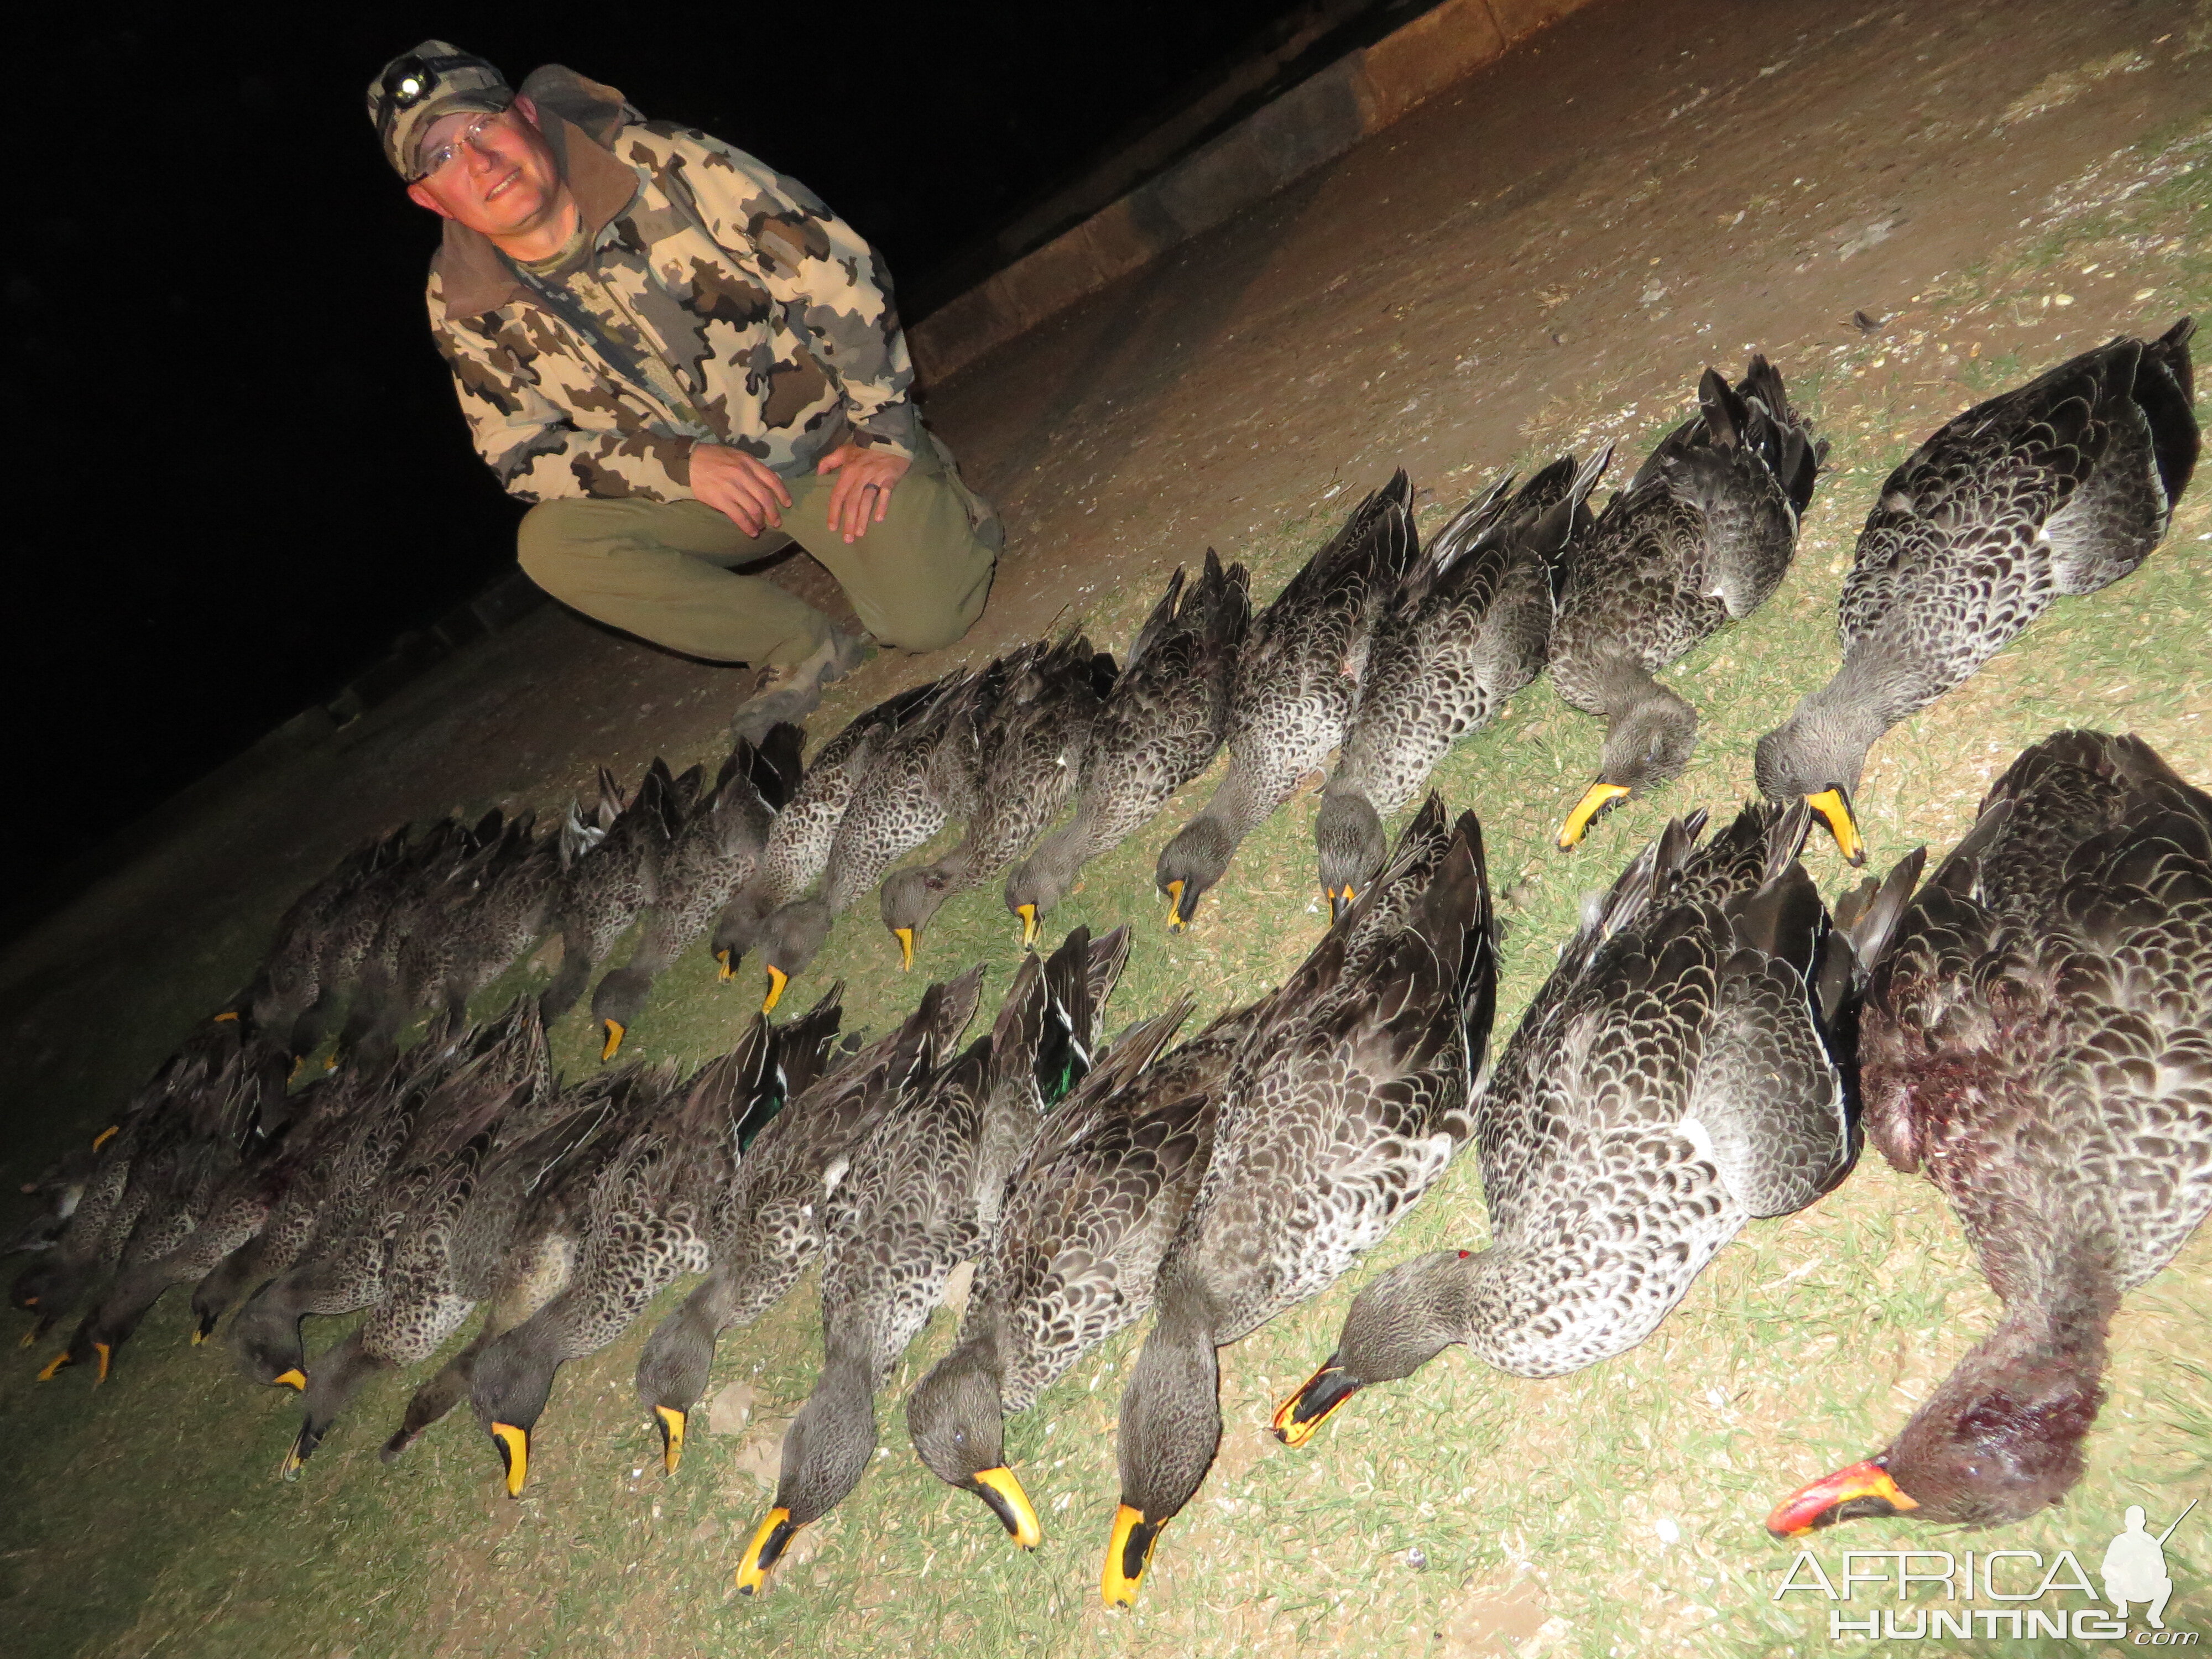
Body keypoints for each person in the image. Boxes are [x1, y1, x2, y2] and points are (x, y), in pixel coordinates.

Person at [367, 42, 1001, 735]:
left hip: (829, 448)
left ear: (523, 112)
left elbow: (835, 272)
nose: (479, 161)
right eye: (442, 157)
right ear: (427, 198)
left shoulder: (662, 162)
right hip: (704, 499)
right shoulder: (457, 297)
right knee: (552, 545)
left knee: (930, 624)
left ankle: (945, 502)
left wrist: (883, 429)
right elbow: (515, 449)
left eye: (482, 126)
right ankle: (799, 648)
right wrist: (678, 467)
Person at [2101, 1505, 2173, 1628]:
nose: (2135, 1523)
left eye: (2138, 1520)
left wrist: (2150, 1563)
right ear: (2126, 1522)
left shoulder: (2150, 1541)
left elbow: (2162, 1568)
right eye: (2132, 1520)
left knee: (2167, 1584)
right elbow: (2106, 1568)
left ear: (2144, 1522)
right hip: (2124, 1588)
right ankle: (2122, 1606)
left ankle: (2154, 1615)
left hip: (2146, 1587)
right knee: (2111, 1583)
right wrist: (2123, 1571)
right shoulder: (2119, 1541)